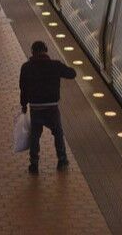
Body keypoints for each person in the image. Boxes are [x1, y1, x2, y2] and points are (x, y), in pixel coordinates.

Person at [19, 41, 76, 175]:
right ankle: (62, 159)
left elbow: (23, 87)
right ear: (46, 50)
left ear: (32, 52)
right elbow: (72, 74)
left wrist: (24, 105)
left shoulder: (26, 67)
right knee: (58, 133)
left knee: (35, 136)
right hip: (52, 107)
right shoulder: (55, 65)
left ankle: (34, 163)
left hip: (35, 107)